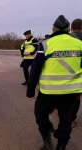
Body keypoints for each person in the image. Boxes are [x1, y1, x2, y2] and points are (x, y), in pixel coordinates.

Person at [27, 15, 82, 150]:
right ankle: (61, 146)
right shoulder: (79, 44)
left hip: (48, 92)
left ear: (53, 29)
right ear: (69, 29)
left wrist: (30, 90)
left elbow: (35, 69)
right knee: (66, 121)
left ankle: (47, 141)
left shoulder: (45, 44)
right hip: (71, 92)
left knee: (40, 115)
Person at [69, 18, 82, 128]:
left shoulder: (65, 38)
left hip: (64, 73)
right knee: (76, 98)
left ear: (71, 28)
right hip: (79, 74)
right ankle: (72, 119)